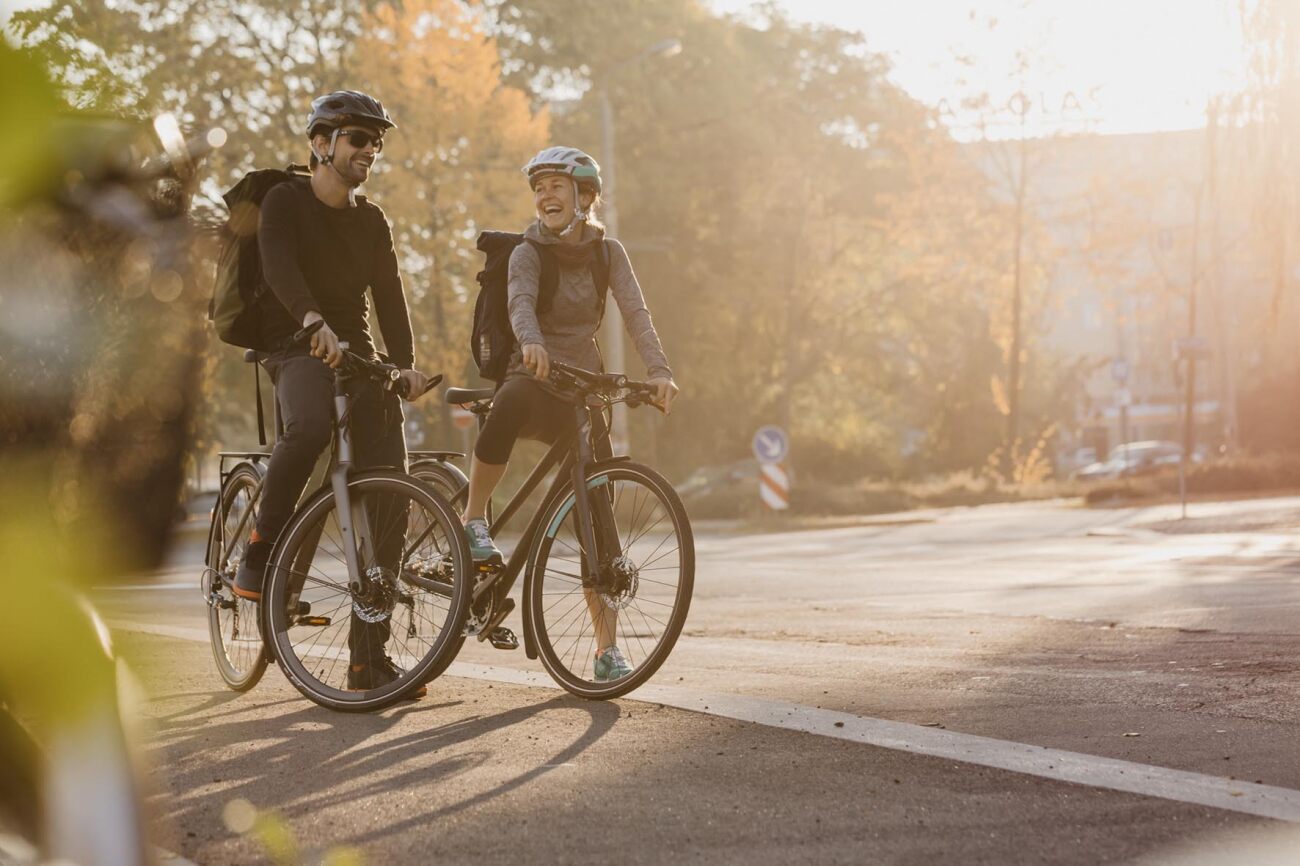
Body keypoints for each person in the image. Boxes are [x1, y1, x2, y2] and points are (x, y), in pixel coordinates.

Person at [232, 90, 433, 692]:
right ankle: (261, 547)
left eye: (377, 142)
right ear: (321, 143)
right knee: (311, 427)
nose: (370, 150)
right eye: (359, 138)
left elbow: (390, 298)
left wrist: (405, 366)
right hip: (293, 340)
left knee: (391, 490)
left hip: (356, 351)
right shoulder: (284, 200)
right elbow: (279, 267)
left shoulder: (372, 220)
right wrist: (311, 320)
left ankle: (368, 659)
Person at [463, 146, 679, 681]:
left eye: (555, 186)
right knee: (509, 403)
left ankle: (607, 651)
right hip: (535, 374)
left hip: (583, 386)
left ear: (585, 195)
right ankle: (473, 519)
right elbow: (518, 303)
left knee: (596, 514)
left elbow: (636, 312)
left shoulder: (609, 253)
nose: (545, 196)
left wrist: (658, 370)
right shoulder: (528, 251)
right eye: (538, 188)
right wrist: (531, 342)